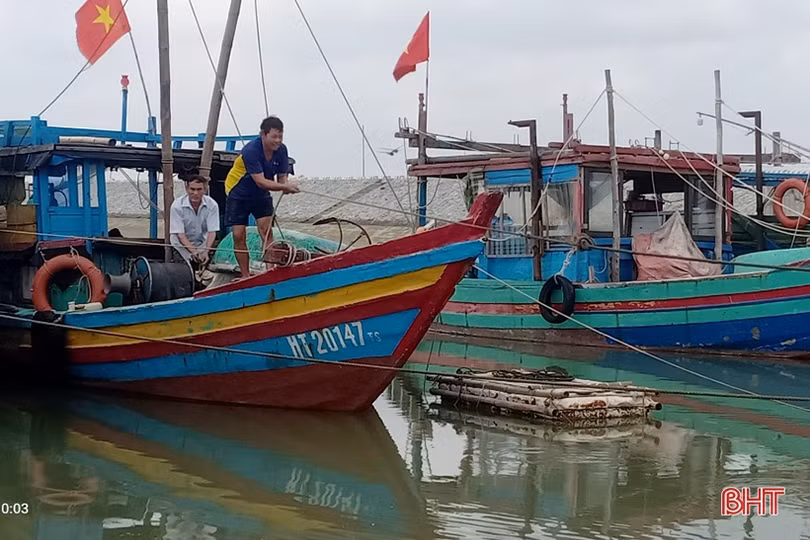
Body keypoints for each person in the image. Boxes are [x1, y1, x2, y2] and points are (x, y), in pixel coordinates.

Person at [224, 115, 299, 278]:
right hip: (238, 191)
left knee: (266, 231)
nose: (277, 140)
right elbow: (260, 181)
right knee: (238, 234)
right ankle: (245, 274)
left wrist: (285, 185)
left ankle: (270, 271)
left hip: (260, 194)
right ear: (263, 135)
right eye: (274, 136)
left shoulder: (282, 150)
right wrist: (284, 187)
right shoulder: (251, 150)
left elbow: (281, 177)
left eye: (280, 136)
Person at [169, 175, 220, 266]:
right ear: (186, 189)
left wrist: (206, 252)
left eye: (199, 189)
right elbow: (181, 235)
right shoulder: (177, 206)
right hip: (180, 245)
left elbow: (212, 232)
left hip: (202, 243)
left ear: (205, 189)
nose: (195, 193)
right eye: (192, 189)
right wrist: (193, 251)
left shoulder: (212, 205)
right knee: (183, 270)